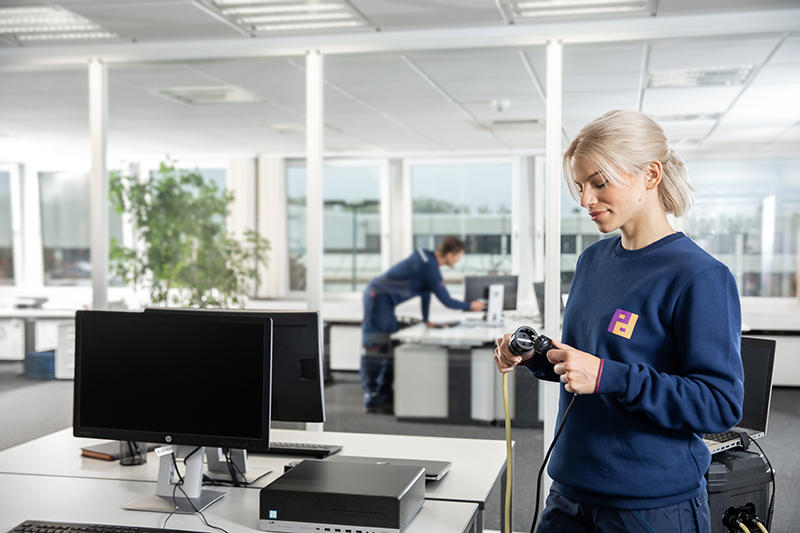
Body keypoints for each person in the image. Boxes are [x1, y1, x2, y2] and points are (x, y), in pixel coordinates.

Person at [494, 110, 744, 532]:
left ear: (650, 174)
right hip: (569, 491)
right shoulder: (592, 261)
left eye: (599, 182)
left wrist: (612, 376)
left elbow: (719, 404)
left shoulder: (700, 276)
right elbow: (587, 364)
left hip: (649, 507)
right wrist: (537, 354)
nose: (585, 199)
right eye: (579, 185)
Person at [361, 236, 485, 413]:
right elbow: (447, 301)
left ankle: (383, 394)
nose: (459, 260)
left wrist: (426, 319)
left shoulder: (427, 258)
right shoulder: (430, 268)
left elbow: (425, 292)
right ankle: (374, 399)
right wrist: (470, 306)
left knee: (386, 343)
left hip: (380, 296)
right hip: (378, 298)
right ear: (450, 254)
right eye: (459, 256)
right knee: (379, 345)